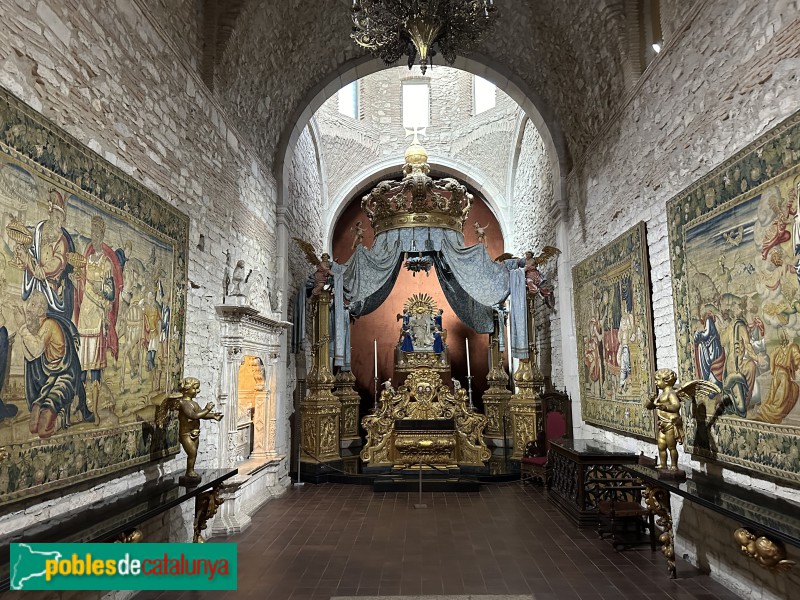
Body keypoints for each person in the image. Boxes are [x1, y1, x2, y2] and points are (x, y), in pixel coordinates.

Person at [2, 291, 90, 438]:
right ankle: (56, 410)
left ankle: (64, 415)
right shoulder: (38, 327)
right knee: (33, 424)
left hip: (65, 377)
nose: (28, 309)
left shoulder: (48, 324)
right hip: (51, 378)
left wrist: (23, 327)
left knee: (43, 430)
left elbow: (36, 350)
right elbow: (30, 357)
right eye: (29, 304)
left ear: (42, 310)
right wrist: (24, 328)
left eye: (33, 305)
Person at [74, 216, 123, 418]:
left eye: (97, 232)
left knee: (94, 366)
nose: (94, 235)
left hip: (96, 316)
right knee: (80, 363)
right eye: (92, 232)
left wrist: (100, 286)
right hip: (84, 314)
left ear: (101, 235)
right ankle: (81, 405)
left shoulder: (105, 263)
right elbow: (81, 284)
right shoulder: (87, 259)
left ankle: (93, 408)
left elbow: (111, 293)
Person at [17, 190, 75, 317]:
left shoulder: (62, 241)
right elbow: (33, 253)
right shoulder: (39, 230)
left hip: (50, 291)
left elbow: (54, 267)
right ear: (51, 213)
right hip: (35, 284)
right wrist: (24, 255)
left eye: (62, 220)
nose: (59, 224)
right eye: (57, 218)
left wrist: (33, 265)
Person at [176, 377, 222, 484]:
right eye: (195, 388)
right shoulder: (184, 404)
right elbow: (194, 415)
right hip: (186, 434)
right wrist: (207, 409)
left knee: (194, 454)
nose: (198, 391)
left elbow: (202, 414)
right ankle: (189, 472)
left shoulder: (193, 403)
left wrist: (212, 416)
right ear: (187, 390)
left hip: (195, 433)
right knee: (192, 452)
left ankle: (190, 471)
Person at [752, 328, 800, 424]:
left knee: (772, 396)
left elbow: (773, 356)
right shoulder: (793, 347)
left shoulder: (779, 348)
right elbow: (797, 359)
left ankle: (764, 412)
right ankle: (771, 416)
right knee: (781, 399)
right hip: (784, 375)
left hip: (777, 373)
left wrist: (773, 371)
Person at [645, 368, 684, 471]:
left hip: (670, 424)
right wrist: (650, 400)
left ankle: (674, 465)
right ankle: (663, 464)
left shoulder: (671, 393)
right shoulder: (661, 394)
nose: (656, 383)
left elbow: (676, 406)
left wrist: (665, 407)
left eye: (658, 380)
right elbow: (650, 407)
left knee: (671, 447)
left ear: (666, 381)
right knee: (661, 446)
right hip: (662, 425)